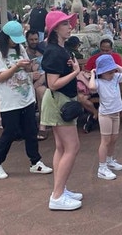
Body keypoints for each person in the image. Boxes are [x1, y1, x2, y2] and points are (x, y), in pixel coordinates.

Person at [0, 21, 53, 180]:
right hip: (10, 102)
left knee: (31, 131)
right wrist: (16, 67)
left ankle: (35, 161)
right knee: (10, 132)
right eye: (13, 39)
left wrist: (29, 66)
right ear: (6, 37)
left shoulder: (20, 49)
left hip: (27, 98)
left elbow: (29, 69)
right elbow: (0, 77)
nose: (16, 43)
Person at [39, 11, 84, 211]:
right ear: (56, 27)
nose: (70, 26)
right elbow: (53, 83)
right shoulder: (54, 51)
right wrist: (76, 72)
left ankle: (59, 190)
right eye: (66, 23)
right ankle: (57, 196)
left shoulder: (60, 49)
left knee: (61, 148)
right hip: (59, 101)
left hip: (60, 101)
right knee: (72, 147)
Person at [87, 54, 122, 180]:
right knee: (105, 141)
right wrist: (93, 74)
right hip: (105, 114)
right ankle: (102, 167)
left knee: (114, 138)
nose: (111, 74)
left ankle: (110, 160)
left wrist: (116, 66)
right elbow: (91, 87)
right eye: (108, 72)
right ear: (101, 72)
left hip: (116, 112)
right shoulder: (98, 82)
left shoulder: (116, 77)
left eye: (112, 71)